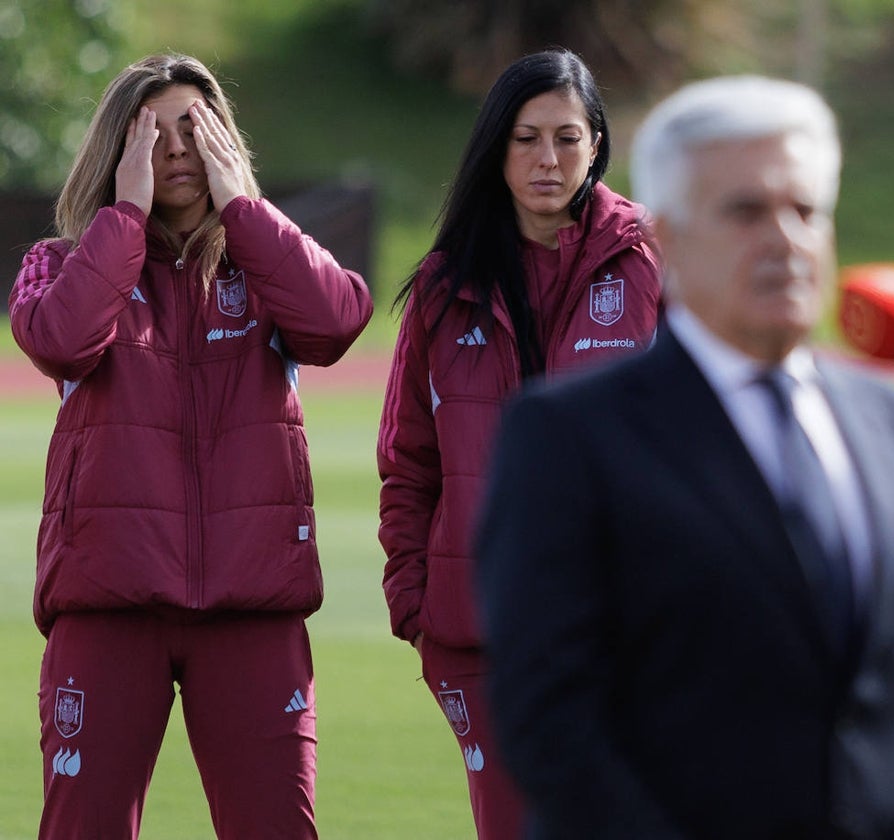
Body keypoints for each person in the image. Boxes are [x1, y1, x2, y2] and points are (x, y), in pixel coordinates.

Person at [474, 74, 894, 839]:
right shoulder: (566, 438)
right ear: (669, 239)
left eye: (805, 211)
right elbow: (552, 724)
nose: (785, 239)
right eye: (747, 211)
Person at [8, 54, 373, 838]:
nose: (177, 148)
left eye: (194, 128)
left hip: (254, 609)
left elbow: (337, 323)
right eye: (153, 133)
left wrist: (244, 204)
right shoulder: (63, 264)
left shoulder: (266, 263)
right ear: (117, 149)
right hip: (107, 607)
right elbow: (64, 341)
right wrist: (126, 218)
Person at [376, 48, 661, 838]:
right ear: (495, 146)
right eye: (526, 137)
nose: (548, 159)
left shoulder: (653, 264)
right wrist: (416, 600)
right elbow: (410, 461)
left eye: (568, 138)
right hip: (478, 631)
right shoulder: (443, 285)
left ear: (597, 145)